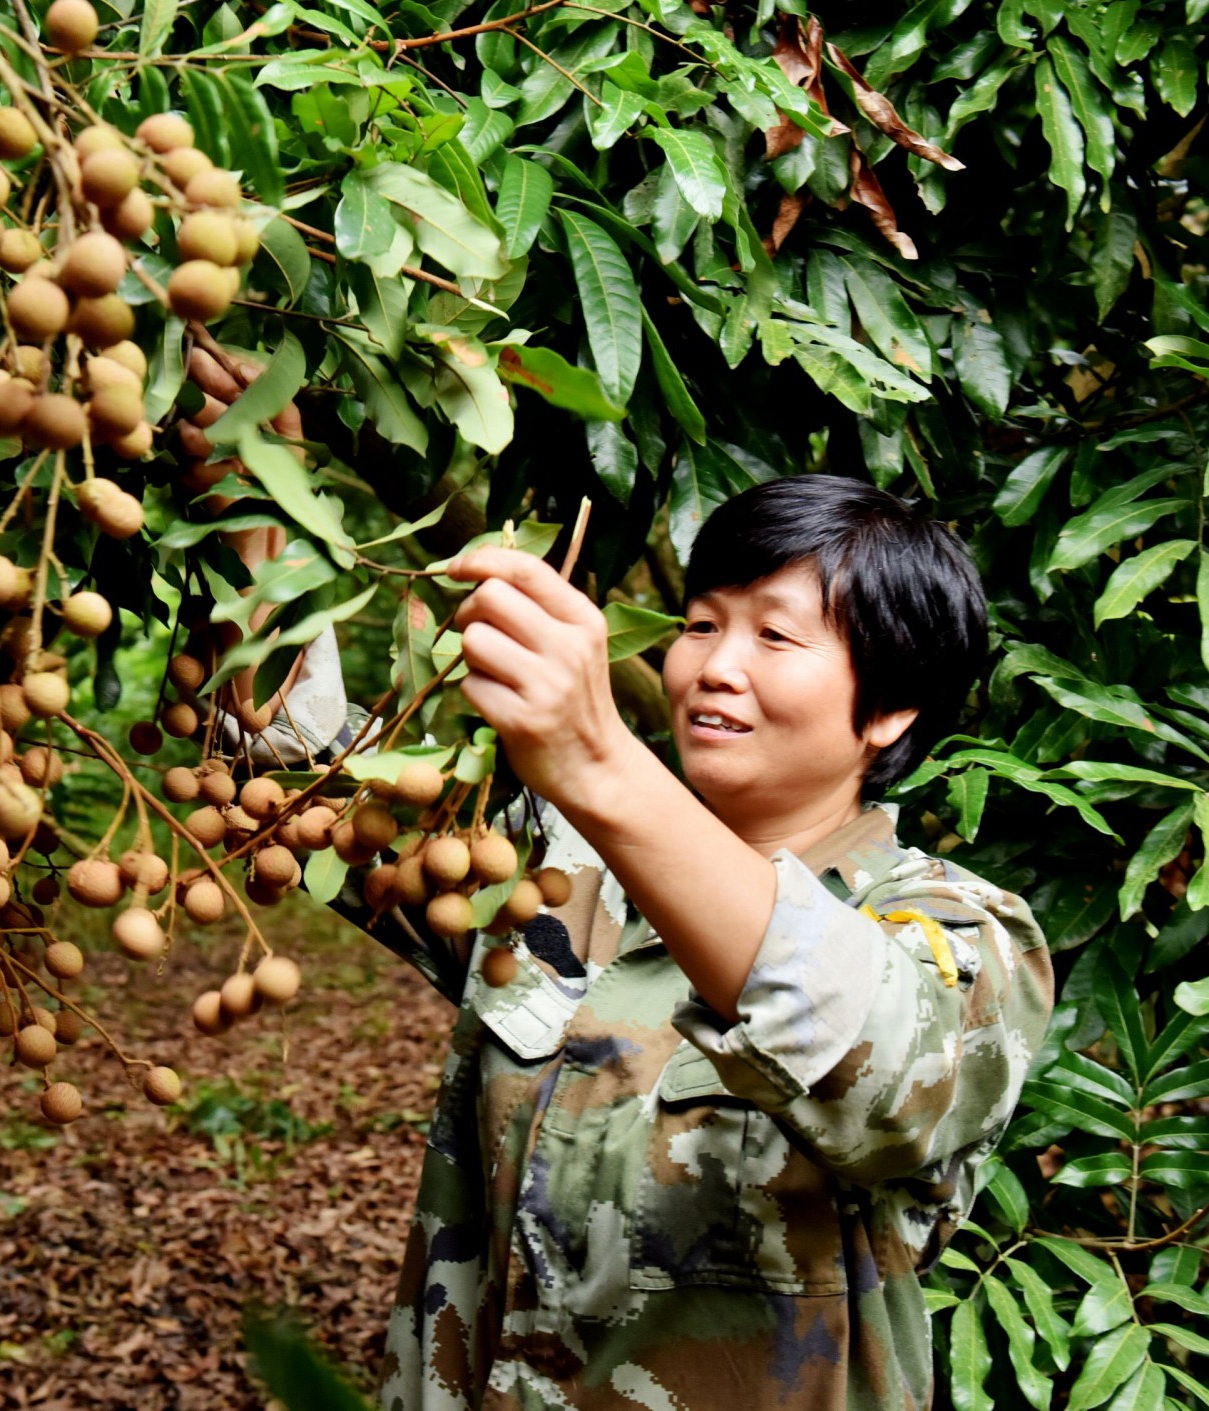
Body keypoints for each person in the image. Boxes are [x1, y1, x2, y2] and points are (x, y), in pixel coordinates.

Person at [187, 357, 1055, 1411]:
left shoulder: (964, 936)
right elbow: (294, 795)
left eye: (775, 635)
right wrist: (254, 492)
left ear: (891, 710)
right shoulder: (557, 869)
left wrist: (598, 756)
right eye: (700, 624)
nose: (712, 667)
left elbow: (878, 1064)